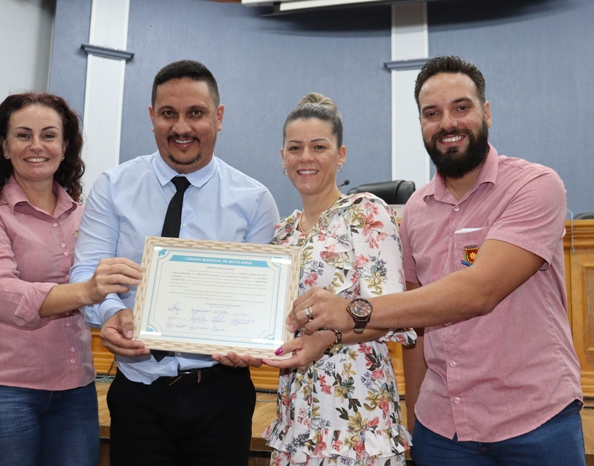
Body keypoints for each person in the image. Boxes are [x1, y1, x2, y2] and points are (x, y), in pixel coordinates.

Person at [284, 56, 586, 466]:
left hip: (534, 422)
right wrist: (412, 428)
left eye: (461, 107)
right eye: (432, 113)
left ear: (487, 112)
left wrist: (352, 309)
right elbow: (415, 327)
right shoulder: (415, 213)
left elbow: (479, 291)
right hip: (444, 431)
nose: (447, 123)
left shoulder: (534, 186)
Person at [69, 60, 280, 466]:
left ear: (218, 117)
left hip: (223, 394)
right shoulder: (113, 187)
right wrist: (112, 313)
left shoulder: (254, 201)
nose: (181, 127)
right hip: (138, 391)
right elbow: (85, 273)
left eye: (195, 113)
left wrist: (249, 343)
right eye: (169, 114)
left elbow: (260, 305)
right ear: (152, 118)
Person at [0, 92, 137, 466]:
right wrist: (86, 290)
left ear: (65, 145)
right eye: (23, 135)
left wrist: (120, 313)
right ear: (4, 146)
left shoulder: (87, 216)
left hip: (75, 391)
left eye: (49, 135)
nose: (37, 146)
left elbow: (109, 289)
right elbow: (1, 294)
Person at [261, 93, 416, 466]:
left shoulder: (366, 213)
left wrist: (325, 339)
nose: (306, 157)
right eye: (295, 147)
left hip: (356, 414)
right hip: (295, 414)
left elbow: (390, 314)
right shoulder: (281, 233)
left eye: (319, 146)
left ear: (340, 154)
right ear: (282, 157)